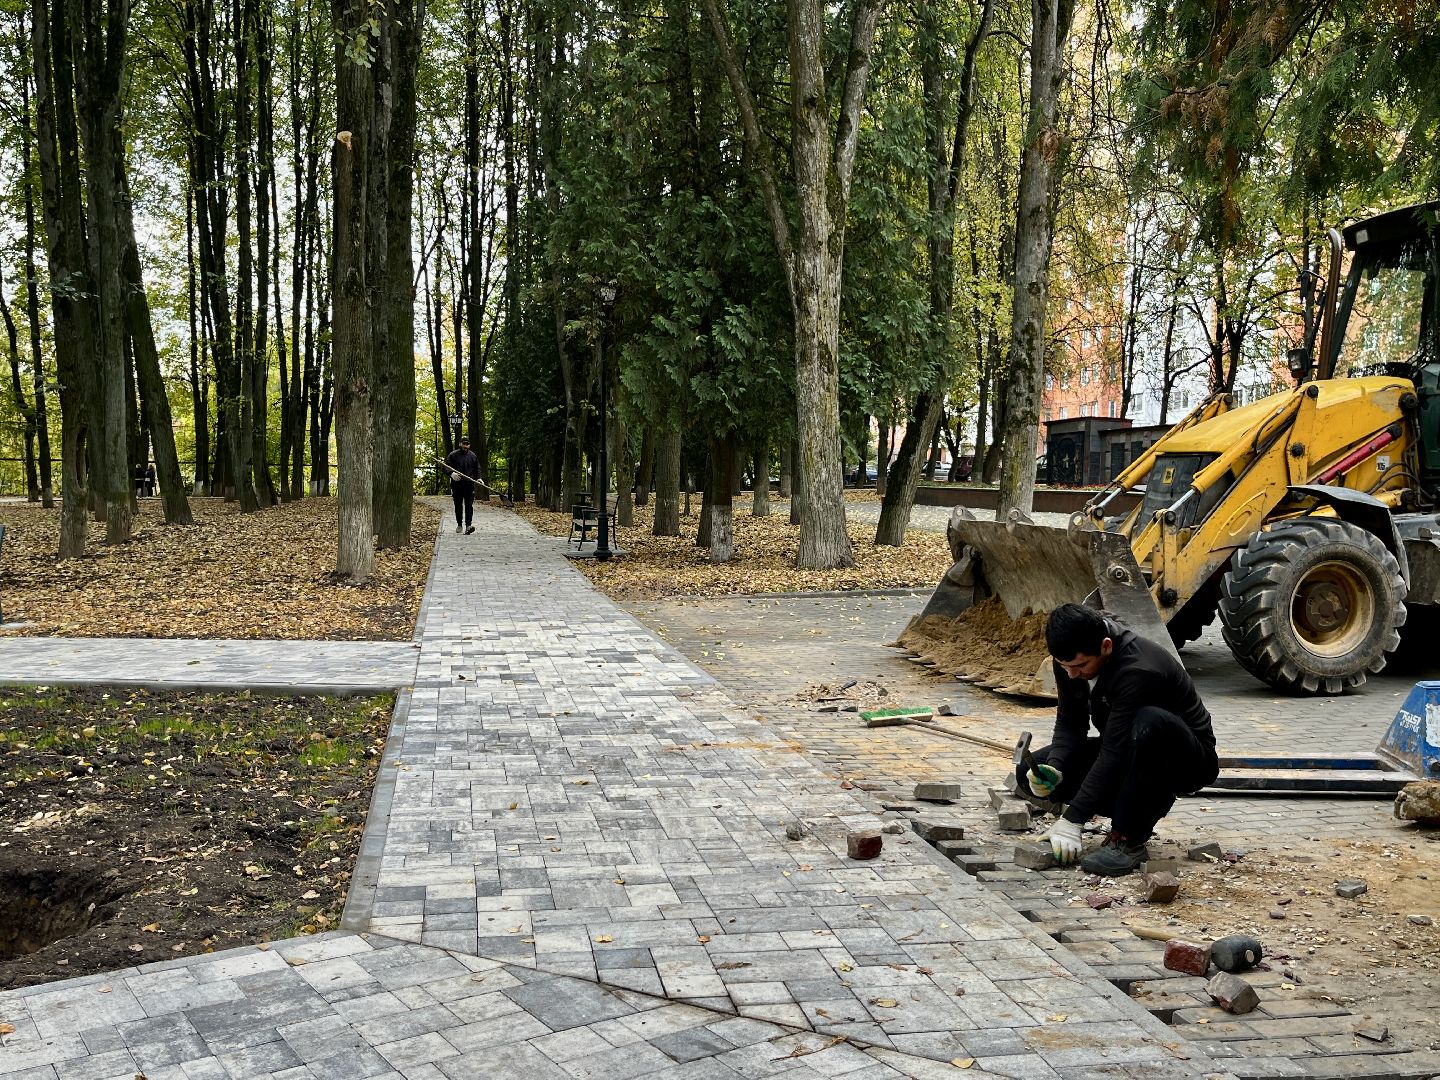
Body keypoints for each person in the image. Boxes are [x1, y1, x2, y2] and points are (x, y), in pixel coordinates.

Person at [1017, 603, 1219, 876]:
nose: (1072, 674)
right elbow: (1071, 723)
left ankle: (1128, 838)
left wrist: (1073, 820)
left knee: (1149, 722)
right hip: (1128, 745)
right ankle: (1135, 807)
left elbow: (1113, 752)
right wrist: (1055, 766)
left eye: (1079, 666)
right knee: (1029, 769)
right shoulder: (1070, 661)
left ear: (1106, 647)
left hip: (1183, 758)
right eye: (1065, 667)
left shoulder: (1139, 670)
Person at [445, 437, 481, 535]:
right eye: (464, 444)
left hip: (469, 484)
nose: (465, 446)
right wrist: (451, 474)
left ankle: (468, 525)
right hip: (457, 484)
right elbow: (446, 466)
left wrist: (478, 478)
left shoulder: (473, 456)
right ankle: (459, 524)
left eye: (467, 444)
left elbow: (477, 468)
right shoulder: (453, 455)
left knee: (469, 505)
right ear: (460, 444)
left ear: (469, 445)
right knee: (458, 505)